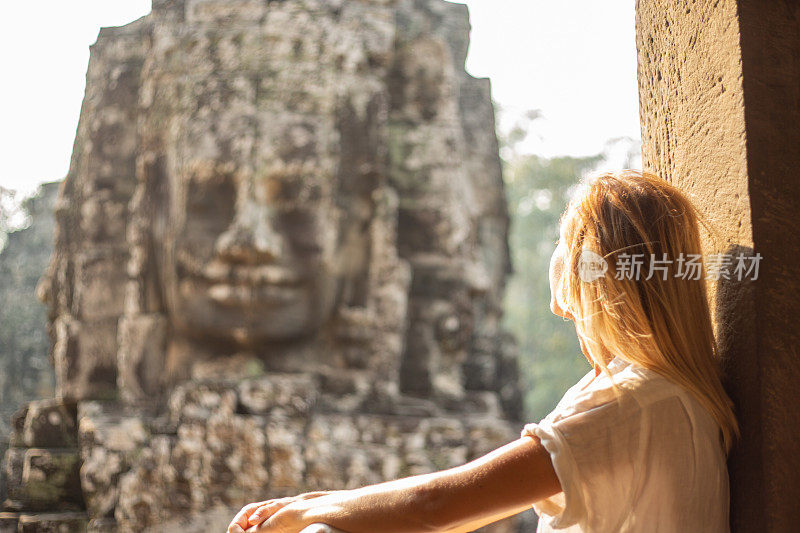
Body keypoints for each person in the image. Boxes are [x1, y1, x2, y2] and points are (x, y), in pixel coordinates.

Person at [227, 170, 739, 533]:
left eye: (572, 297)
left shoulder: (629, 405)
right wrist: (332, 504)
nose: (567, 314)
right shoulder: (681, 397)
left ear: (598, 289)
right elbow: (462, 512)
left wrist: (307, 512)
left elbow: (438, 506)